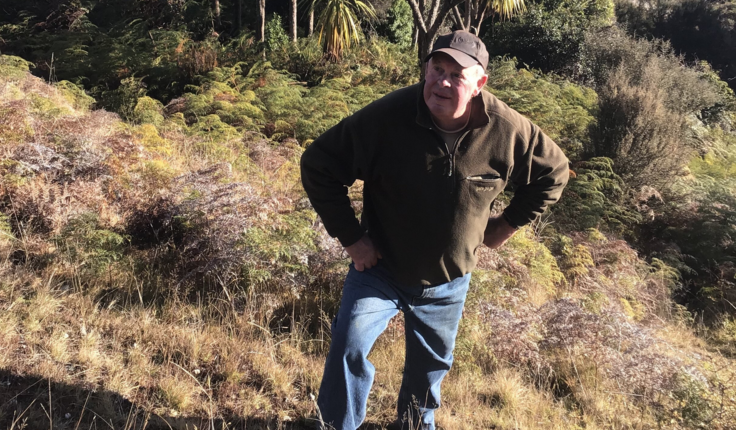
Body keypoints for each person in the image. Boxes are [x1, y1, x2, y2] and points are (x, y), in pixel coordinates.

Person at [300, 30, 569, 430]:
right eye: (436, 69)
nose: (441, 82)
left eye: (456, 75)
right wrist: (353, 239)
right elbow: (318, 165)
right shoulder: (388, 118)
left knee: (429, 370)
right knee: (348, 345)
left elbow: (554, 173)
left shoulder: (507, 130)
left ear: (479, 84)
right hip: (379, 271)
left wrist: (505, 227)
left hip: (448, 280)